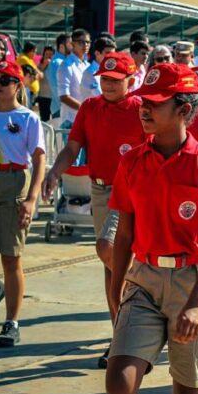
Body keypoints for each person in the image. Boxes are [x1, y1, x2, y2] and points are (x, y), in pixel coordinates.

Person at [103, 62, 198, 394]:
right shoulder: (131, 162)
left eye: (155, 102)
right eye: (143, 99)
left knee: (188, 388)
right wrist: (116, 293)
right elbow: (125, 236)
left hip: (191, 282)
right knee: (118, 380)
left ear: (183, 110)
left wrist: (196, 302)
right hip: (143, 281)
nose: (143, 108)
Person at [42, 52, 143, 365]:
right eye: (104, 80)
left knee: (106, 246)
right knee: (111, 266)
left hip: (130, 191)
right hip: (99, 190)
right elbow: (73, 147)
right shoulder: (90, 107)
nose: (109, 85)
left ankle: (135, 317)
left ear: (131, 79)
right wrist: (54, 171)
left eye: (115, 80)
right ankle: (121, 335)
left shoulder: (142, 108)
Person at [0, 61, 45, 347]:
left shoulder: (27, 118)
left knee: (10, 257)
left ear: (18, 85)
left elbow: (38, 158)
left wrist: (31, 199)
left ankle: (11, 322)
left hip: (15, 182)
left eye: (5, 79)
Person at [57, 29, 91, 127]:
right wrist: (84, 109)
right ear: (72, 44)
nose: (85, 45)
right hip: (71, 120)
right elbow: (64, 96)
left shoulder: (87, 65)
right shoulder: (66, 65)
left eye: (88, 42)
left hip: (86, 119)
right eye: (81, 42)